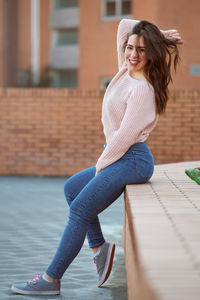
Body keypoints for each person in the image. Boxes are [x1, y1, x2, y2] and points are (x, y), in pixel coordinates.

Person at [11, 18, 182, 295]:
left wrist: (102, 166)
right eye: (130, 48)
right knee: (72, 189)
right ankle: (101, 249)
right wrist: (157, 34)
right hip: (121, 156)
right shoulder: (124, 71)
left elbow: (124, 137)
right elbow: (125, 23)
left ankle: (51, 280)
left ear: (151, 54)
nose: (133, 55)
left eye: (142, 50)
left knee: (80, 208)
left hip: (133, 159)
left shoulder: (142, 89)